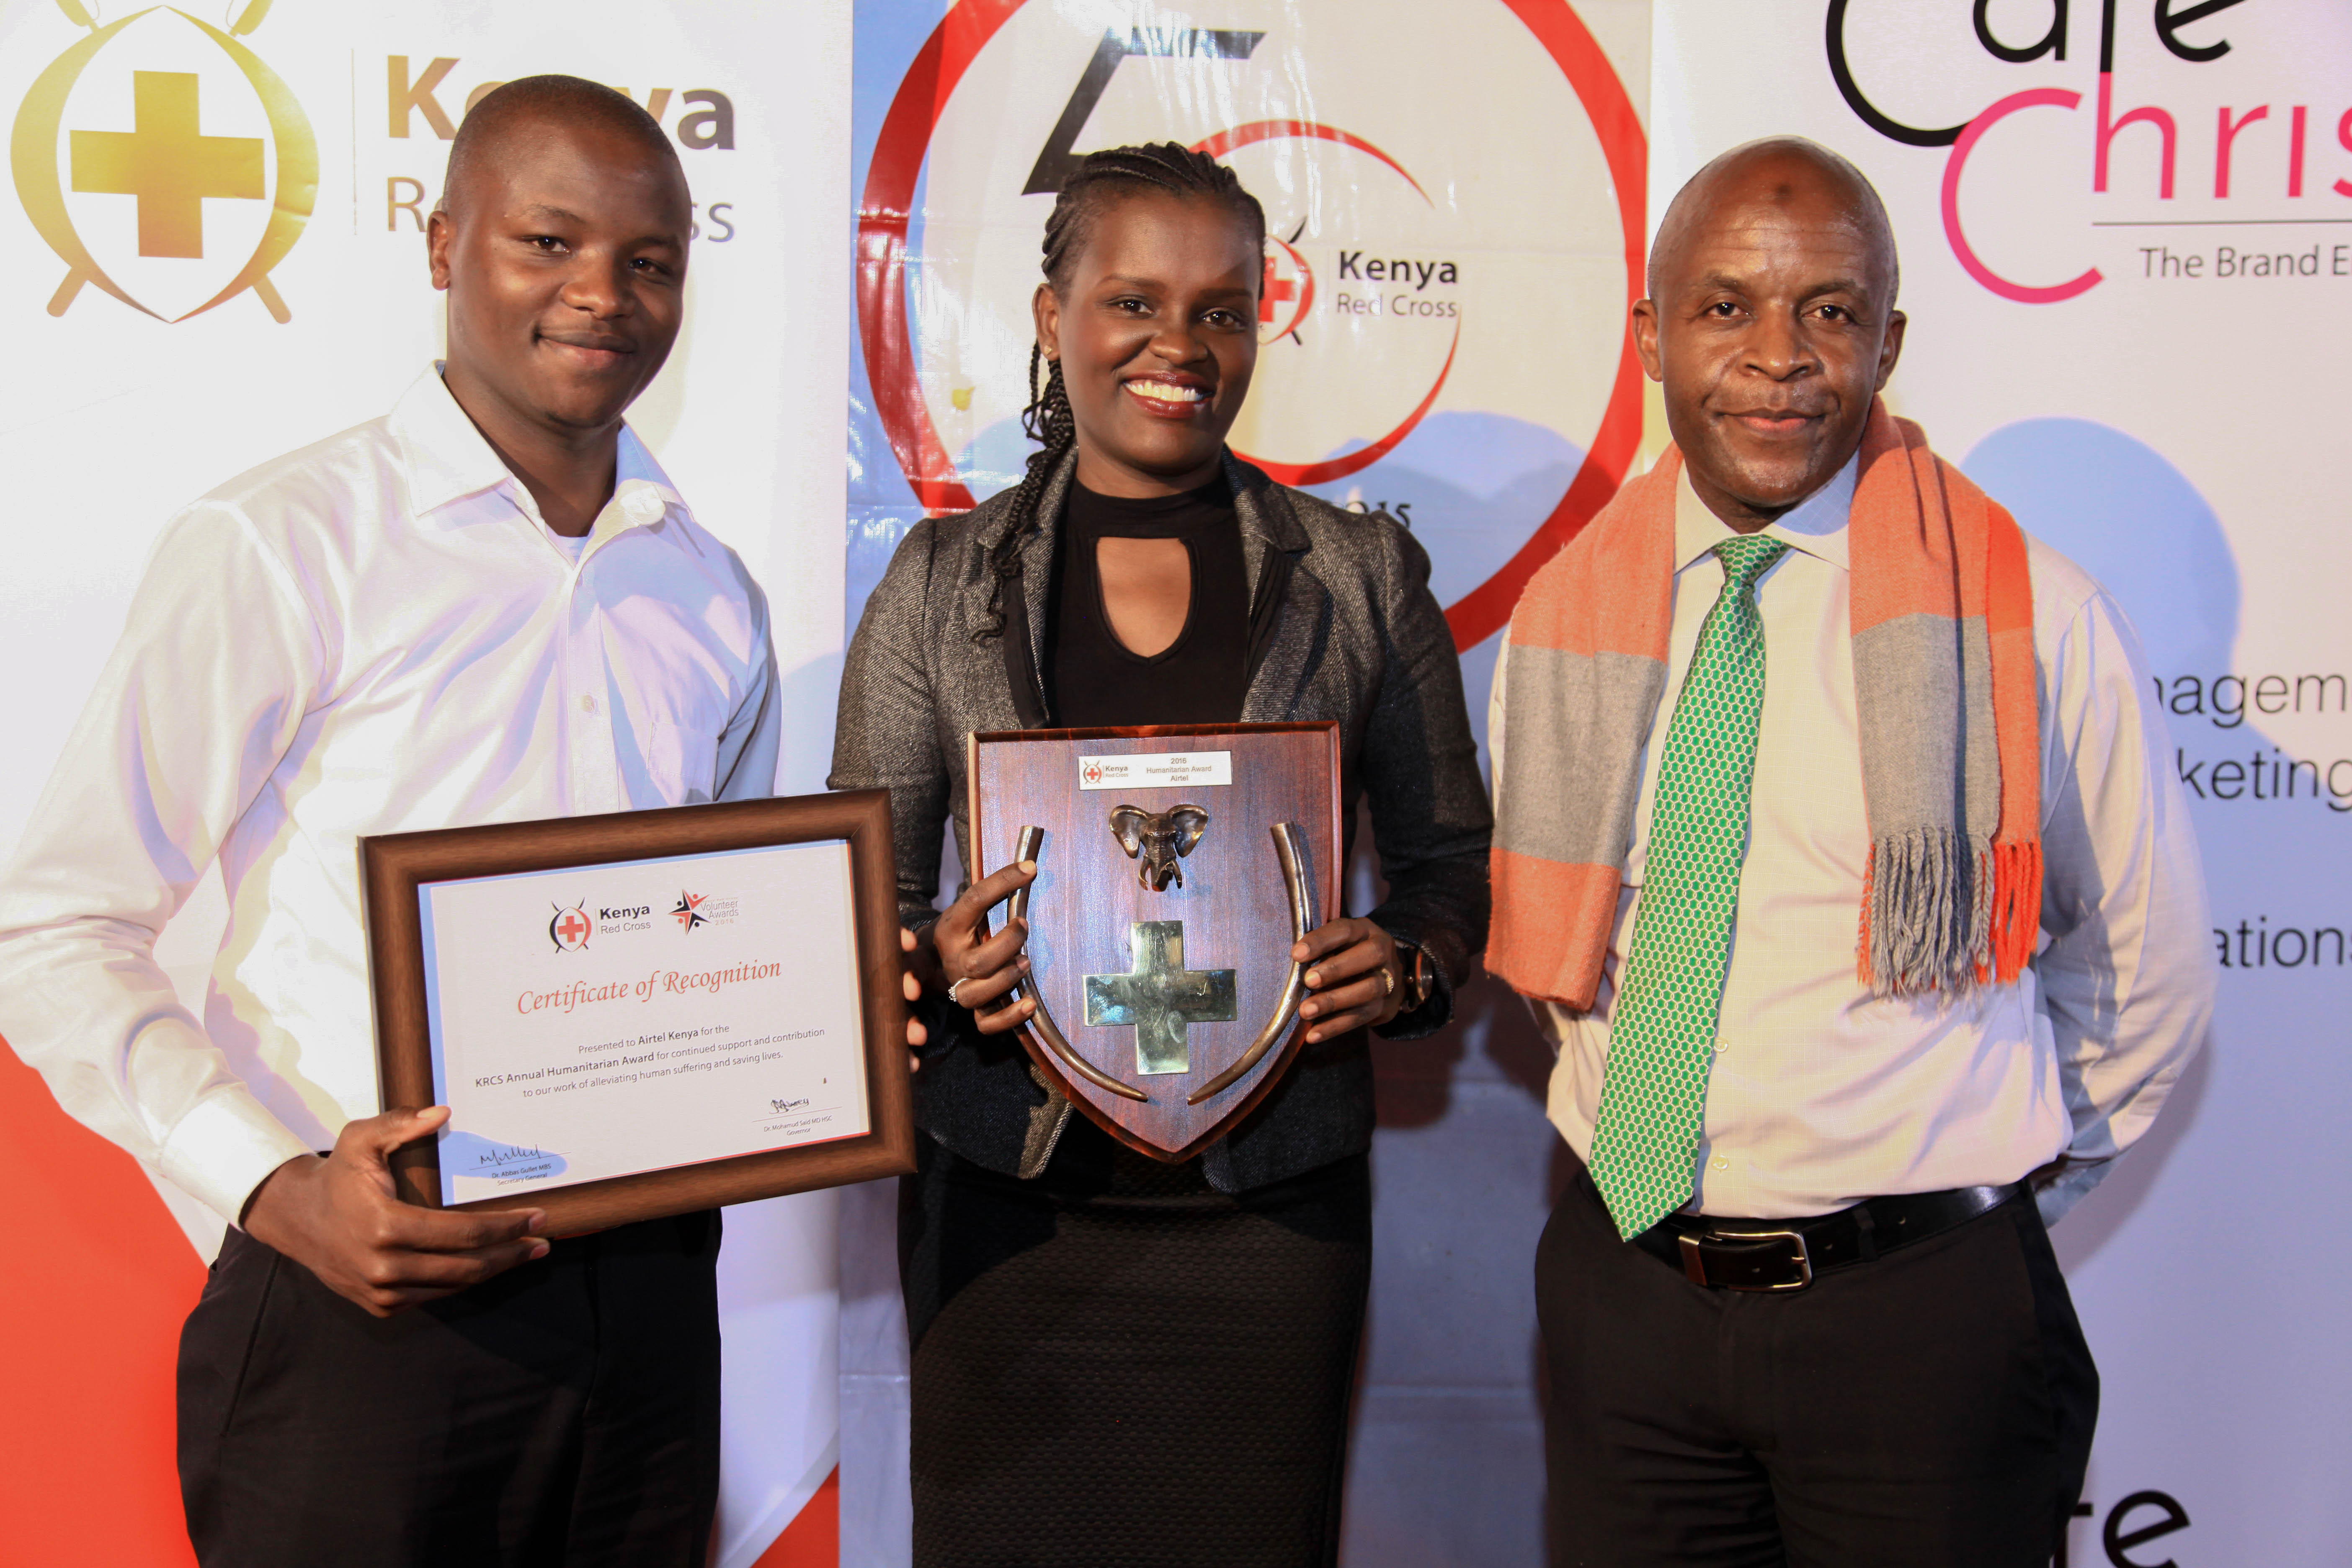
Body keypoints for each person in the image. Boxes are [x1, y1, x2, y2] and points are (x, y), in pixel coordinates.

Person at [0, 77, 774, 1566]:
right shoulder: (286, 546)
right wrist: (272, 1186)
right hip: (365, 1285)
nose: (600, 297)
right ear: (442, 246)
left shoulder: (710, 588)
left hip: (653, 1300)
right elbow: (54, 923)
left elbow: (729, 927)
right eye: (546, 242)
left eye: (650, 262)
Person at [1487, 137, 2213, 1567]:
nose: (1780, 358)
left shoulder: (2030, 614)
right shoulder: (1565, 619)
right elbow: (1564, 967)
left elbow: (2146, 975)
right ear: (1650, 335)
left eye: (1829, 311)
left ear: (1889, 340)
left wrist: (1961, 1226)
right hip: (1626, 1303)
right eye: (1726, 308)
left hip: (1917, 1331)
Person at [831, 143, 1490, 1567]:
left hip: (1274, 1220)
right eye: (1134, 299)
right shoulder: (940, 584)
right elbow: (865, 903)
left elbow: (1450, 871)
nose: (1179, 346)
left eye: (1223, 309)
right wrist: (932, 962)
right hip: (1004, 1207)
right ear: (1050, 310)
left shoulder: (1360, 574)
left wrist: (1410, 966)